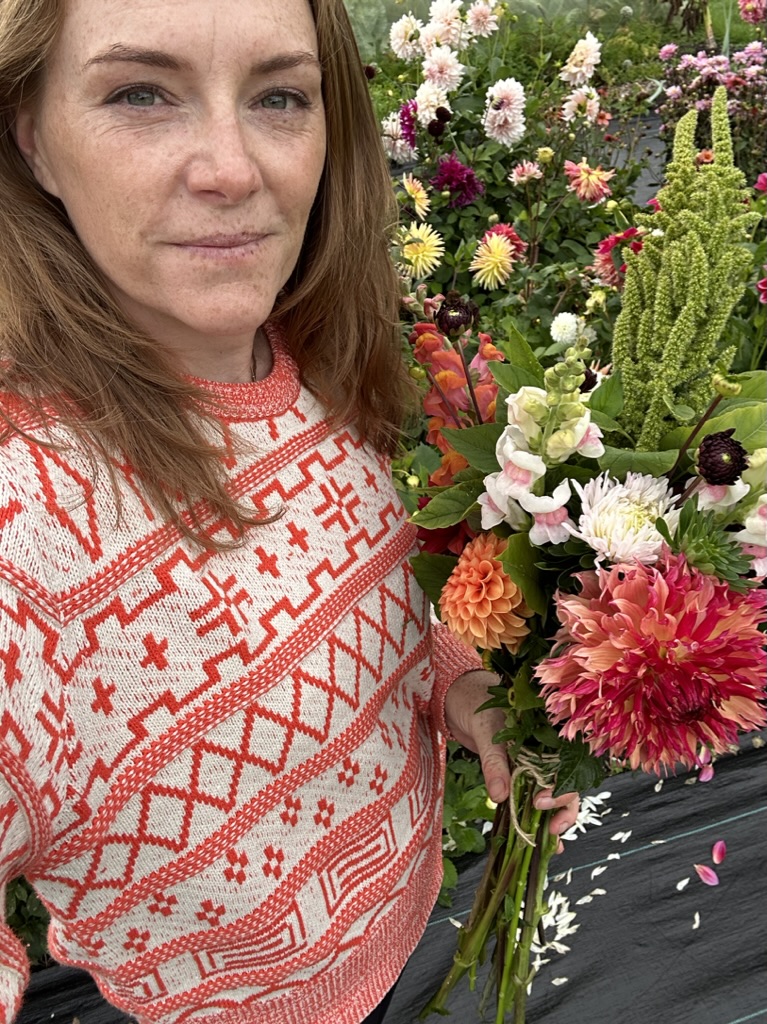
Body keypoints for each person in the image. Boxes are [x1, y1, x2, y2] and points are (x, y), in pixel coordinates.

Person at [0, 1, 578, 1021]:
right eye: (140, 93)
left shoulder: (306, 360)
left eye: (278, 97)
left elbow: (351, 600)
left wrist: (457, 689)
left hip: (400, 927)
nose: (233, 169)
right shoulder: (27, 518)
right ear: (32, 139)